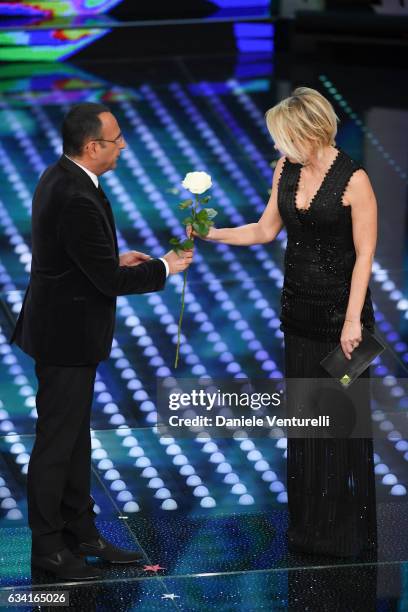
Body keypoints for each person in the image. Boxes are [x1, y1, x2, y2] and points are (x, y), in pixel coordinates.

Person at [189, 87, 378, 558]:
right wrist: (211, 233)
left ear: (305, 131)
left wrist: (353, 320)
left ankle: (342, 530)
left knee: (339, 424)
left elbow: (365, 254)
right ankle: (310, 527)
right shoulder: (285, 171)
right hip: (298, 314)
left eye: (281, 137)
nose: (276, 147)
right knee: (305, 423)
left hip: (343, 321)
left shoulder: (354, 180)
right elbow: (263, 230)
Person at [9, 102, 193, 580]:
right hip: (66, 337)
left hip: (64, 329)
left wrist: (111, 257)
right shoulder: (74, 194)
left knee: (73, 442)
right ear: (92, 147)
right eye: (116, 139)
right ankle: (49, 549)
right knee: (56, 444)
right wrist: (165, 267)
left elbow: (81, 257)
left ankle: (81, 534)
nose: (124, 146)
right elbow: (108, 283)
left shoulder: (64, 176)